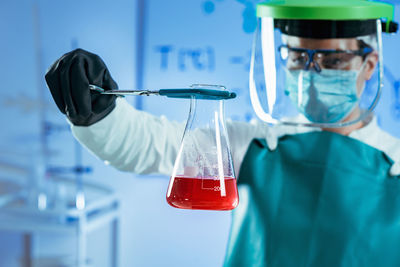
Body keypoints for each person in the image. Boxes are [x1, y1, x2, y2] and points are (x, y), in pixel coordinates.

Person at [45, 0, 400, 266]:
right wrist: (97, 112)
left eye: (332, 61)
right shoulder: (258, 144)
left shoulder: (395, 165)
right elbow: (150, 146)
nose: (312, 73)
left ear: (368, 65)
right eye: (297, 58)